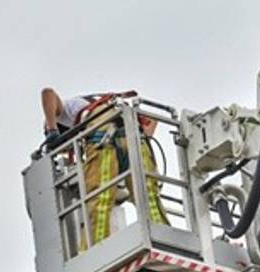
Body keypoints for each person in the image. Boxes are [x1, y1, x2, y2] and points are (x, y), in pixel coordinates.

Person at [39, 87, 170, 254]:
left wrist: (51, 131)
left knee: (98, 198)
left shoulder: (65, 113)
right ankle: (164, 240)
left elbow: (47, 93)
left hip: (103, 138)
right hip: (134, 136)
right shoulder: (98, 102)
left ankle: (94, 251)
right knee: (147, 196)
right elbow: (151, 120)